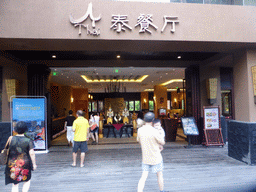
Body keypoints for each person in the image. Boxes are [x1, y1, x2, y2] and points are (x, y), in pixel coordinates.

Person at [137, 112, 168, 192]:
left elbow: (138, 140)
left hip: (145, 157)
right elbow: (162, 142)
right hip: (156, 157)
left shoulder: (140, 130)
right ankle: (162, 191)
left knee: (143, 177)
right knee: (159, 175)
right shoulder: (154, 131)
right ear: (153, 120)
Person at [5, 121, 37, 192]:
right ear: (25, 129)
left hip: (12, 163)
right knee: (27, 180)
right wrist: (34, 164)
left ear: (15, 129)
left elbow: (6, 149)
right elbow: (32, 153)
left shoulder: (11, 138)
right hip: (25, 163)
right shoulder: (28, 140)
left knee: (15, 183)